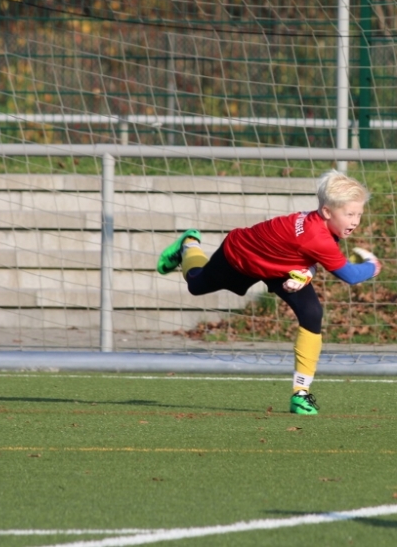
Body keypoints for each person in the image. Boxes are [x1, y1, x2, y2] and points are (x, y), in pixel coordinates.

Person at [156, 170, 381, 415]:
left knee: (312, 313)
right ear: (327, 212)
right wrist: (373, 266)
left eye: (359, 214)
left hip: (280, 267)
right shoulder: (318, 237)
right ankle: (189, 244)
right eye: (349, 214)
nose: (355, 221)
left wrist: (305, 274)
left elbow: (308, 255)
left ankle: (301, 394)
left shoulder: (321, 225)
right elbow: (349, 275)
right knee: (196, 285)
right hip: (240, 255)